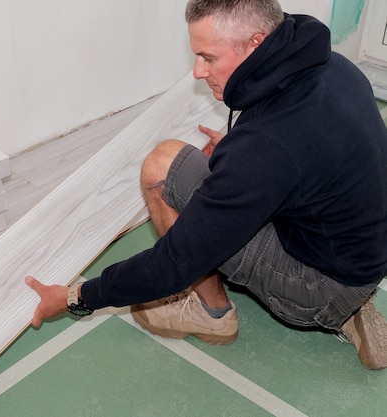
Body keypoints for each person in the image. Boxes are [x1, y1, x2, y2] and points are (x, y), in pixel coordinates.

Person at [25, 0, 387, 369]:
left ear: (256, 44)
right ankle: (354, 306)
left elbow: (174, 263)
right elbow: (314, 158)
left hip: (317, 286)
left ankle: (214, 314)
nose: (198, 71)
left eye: (208, 57)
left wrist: (76, 296)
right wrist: (240, 160)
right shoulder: (332, 66)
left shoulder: (265, 147)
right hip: (362, 252)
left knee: (162, 165)